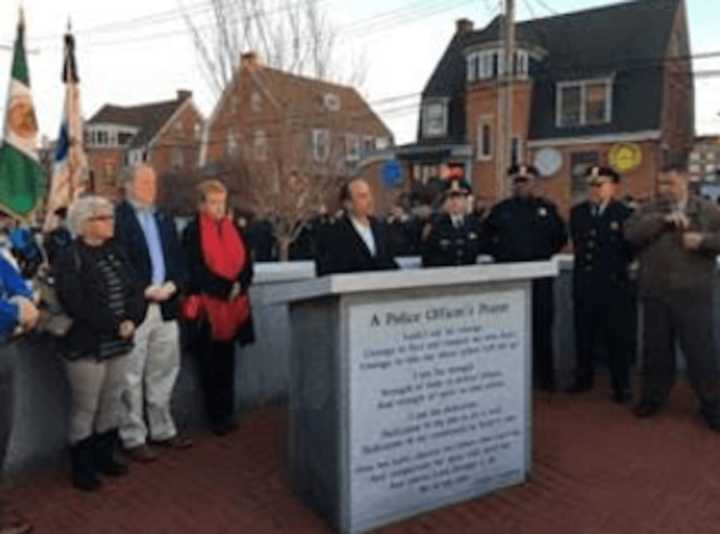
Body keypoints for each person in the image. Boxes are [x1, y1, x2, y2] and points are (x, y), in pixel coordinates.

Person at [54, 196, 145, 491]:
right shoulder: (70, 257)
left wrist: (132, 319)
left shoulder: (116, 252)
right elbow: (76, 303)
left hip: (119, 342)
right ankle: (82, 467)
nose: (111, 222)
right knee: (86, 407)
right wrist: (115, 324)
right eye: (103, 217)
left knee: (112, 400)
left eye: (110, 216)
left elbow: (135, 289)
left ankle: (104, 456)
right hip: (87, 345)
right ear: (85, 224)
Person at [624, 163, 720, 430]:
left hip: (694, 295)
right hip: (656, 293)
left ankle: (711, 404)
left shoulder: (707, 210)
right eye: (661, 183)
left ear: (685, 182)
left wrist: (703, 242)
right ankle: (653, 398)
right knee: (655, 351)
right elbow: (631, 234)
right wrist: (662, 221)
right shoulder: (649, 210)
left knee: (701, 353)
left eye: (670, 183)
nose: (664, 189)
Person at [113, 164, 191, 462]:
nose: (151, 188)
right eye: (145, 182)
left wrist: (173, 284)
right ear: (128, 185)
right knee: (131, 374)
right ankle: (133, 436)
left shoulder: (163, 218)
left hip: (167, 305)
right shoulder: (119, 219)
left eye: (153, 182)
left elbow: (177, 259)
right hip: (137, 307)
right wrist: (142, 289)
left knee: (164, 369)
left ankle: (162, 428)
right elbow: (119, 263)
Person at [484, 164, 568, 392]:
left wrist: (542, 255)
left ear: (535, 183)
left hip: (539, 278)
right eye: (518, 181)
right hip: (509, 279)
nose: (522, 185)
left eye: (526, 181)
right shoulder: (501, 210)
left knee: (542, 327)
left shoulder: (547, 209)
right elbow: (486, 238)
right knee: (508, 330)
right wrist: (503, 256)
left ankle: (546, 380)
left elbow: (560, 237)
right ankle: (510, 379)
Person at [182, 180, 255, 436]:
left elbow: (247, 263)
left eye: (221, 202)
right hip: (208, 311)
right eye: (213, 202)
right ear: (201, 204)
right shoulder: (192, 232)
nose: (218, 208)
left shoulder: (235, 229)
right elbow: (195, 270)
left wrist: (240, 284)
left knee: (228, 362)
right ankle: (215, 416)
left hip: (234, 307)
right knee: (209, 366)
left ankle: (228, 411)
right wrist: (225, 288)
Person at [567, 166, 635, 403]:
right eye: (591, 185)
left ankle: (621, 384)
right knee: (583, 334)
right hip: (585, 285)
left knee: (617, 337)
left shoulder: (624, 213)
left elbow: (630, 250)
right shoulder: (578, 213)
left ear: (612, 187)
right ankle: (583, 378)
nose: (594, 189)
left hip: (613, 286)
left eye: (600, 184)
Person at [0, 252, 38, 534]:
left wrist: (24, 299)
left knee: (2, 431)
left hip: (4, 347)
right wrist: (15, 312)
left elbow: (12, 277)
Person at [316, 178, 399, 275]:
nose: (369, 201)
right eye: (362, 196)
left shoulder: (381, 228)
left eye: (369, 195)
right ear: (348, 204)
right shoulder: (333, 233)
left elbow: (390, 262)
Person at [421, 177, 482, 267]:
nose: (455, 202)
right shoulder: (436, 226)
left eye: (459, 197)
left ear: (466, 200)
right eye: (451, 198)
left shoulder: (475, 224)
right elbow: (428, 257)